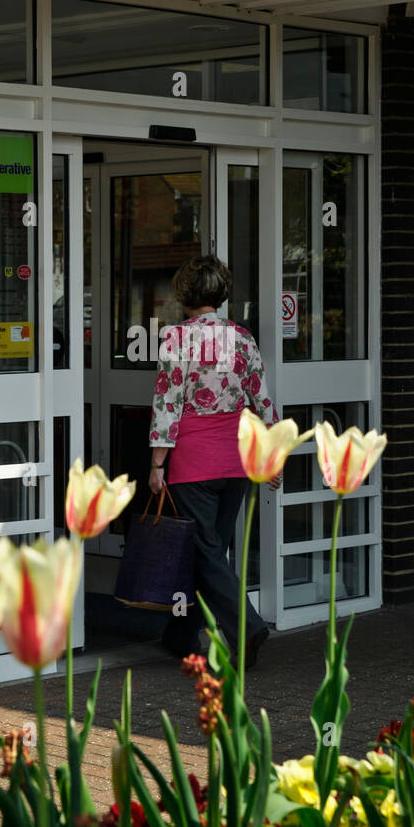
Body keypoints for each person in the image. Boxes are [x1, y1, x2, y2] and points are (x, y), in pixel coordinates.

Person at [148, 254, 280, 663]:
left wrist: (156, 465)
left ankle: (248, 628)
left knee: (204, 553)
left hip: (195, 461)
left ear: (185, 294)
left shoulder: (177, 338)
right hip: (237, 459)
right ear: (220, 294)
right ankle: (180, 635)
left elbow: (167, 404)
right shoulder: (242, 338)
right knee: (208, 550)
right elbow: (262, 399)